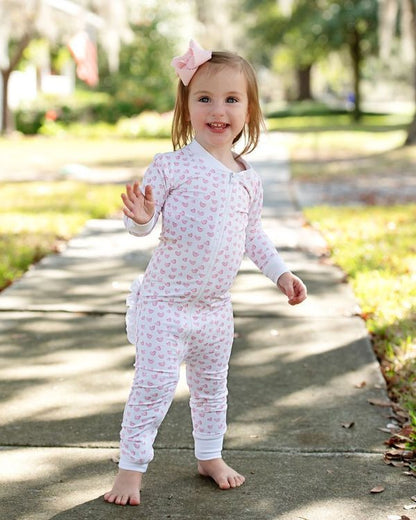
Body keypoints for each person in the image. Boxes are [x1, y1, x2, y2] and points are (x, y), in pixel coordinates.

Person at [104, 39, 307, 507]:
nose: (219, 110)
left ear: (249, 110)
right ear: (187, 106)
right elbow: (145, 225)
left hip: (215, 310)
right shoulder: (171, 166)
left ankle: (210, 456)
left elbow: (253, 235)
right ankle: (130, 470)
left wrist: (281, 274)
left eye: (232, 99)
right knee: (153, 387)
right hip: (164, 304)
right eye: (205, 98)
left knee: (213, 388)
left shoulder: (247, 178)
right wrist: (138, 216)